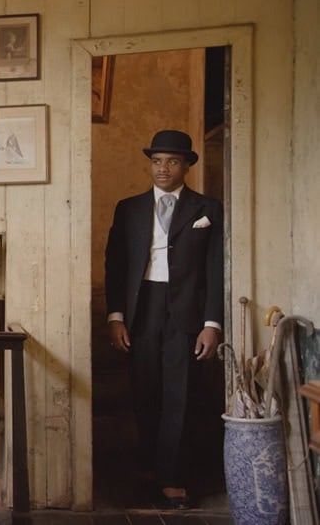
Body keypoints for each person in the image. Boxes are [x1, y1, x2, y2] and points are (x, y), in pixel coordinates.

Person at [104, 129, 224, 510]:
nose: (162, 169)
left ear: (186, 165)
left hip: (187, 308)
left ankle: (175, 477)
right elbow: (116, 266)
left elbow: (216, 268)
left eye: (172, 161)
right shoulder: (129, 208)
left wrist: (212, 324)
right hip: (143, 307)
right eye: (156, 161)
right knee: (146, 389)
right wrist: (116, 316)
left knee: (182, 392)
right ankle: (151, 464)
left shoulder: (208, 209)